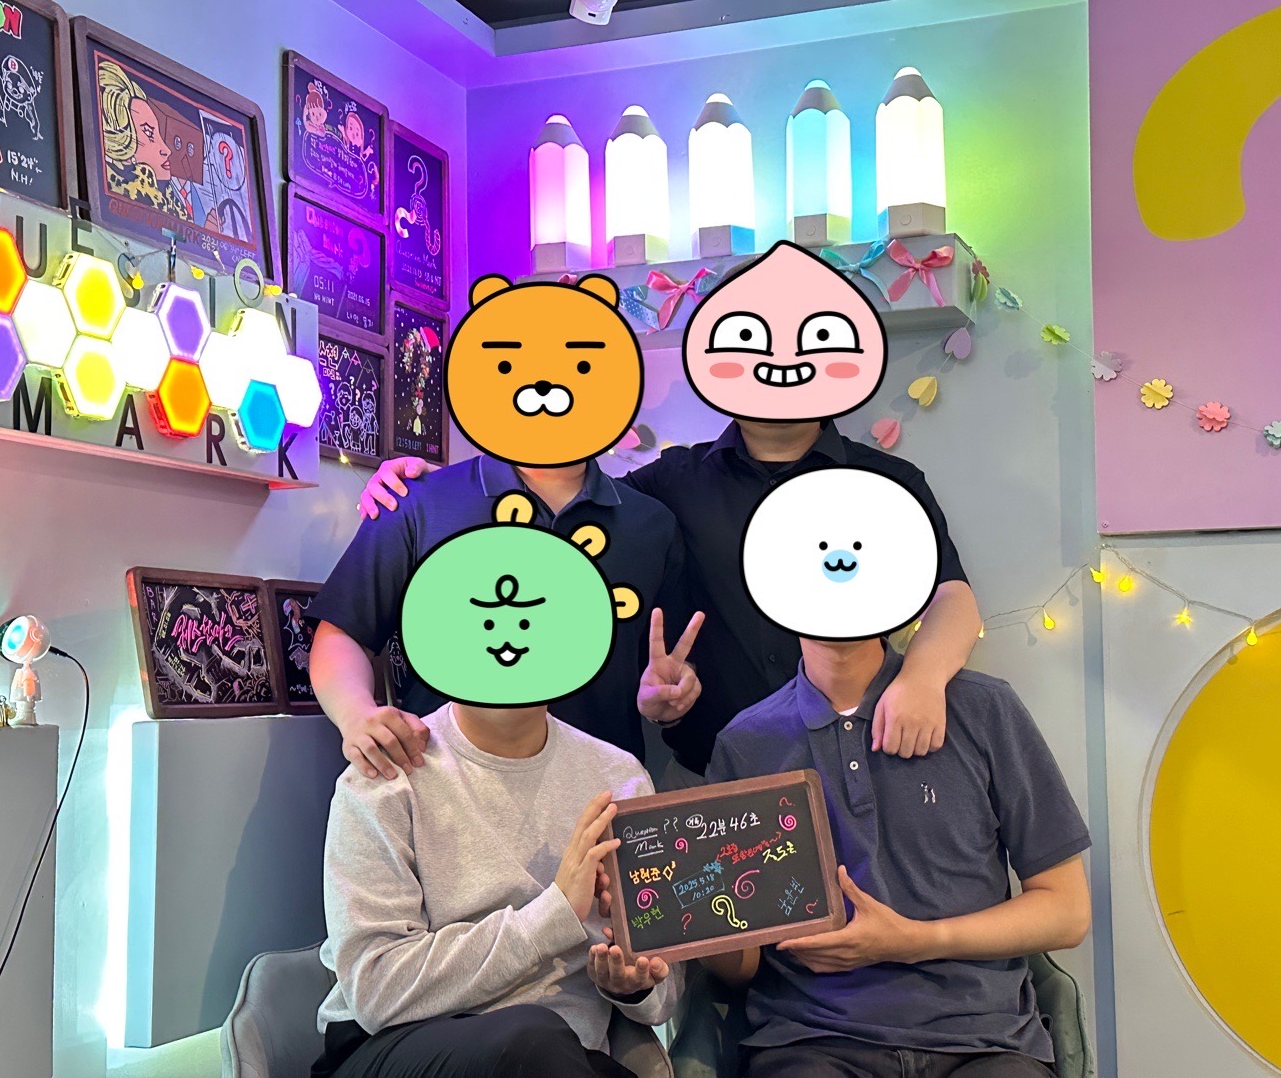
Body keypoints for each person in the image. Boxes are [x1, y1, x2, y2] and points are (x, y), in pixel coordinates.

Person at [359, 242, 982, 788]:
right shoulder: (668, 484)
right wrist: (425, 481)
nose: (780, 359)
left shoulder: (888, 483)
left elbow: (953, 598)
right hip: (716, 772)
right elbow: (561, 486)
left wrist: (922, 680)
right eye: (748, 336)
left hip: (866, 753)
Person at [699, 469, 1091, 1078]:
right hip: (811, 1040)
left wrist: (916, 940)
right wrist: (686, 915)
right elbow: (741, 963)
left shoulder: (985, 710)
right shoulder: (745, 745)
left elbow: (1067, 912)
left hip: (985, 1041)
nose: (836, 568)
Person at [313, 492, 681, 1078]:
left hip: (566, 1058)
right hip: (395, 1047)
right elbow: (376, 991)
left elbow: (663, 995)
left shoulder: (619, 778)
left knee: (552, 1048)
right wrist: (555, 913)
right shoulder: (388, 773)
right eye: (485, 620)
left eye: (532, 621)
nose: (509, 640)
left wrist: (633, 984)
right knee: (532, 1039)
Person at [309, 274, 696, 780]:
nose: (546, 386)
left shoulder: (651, 525)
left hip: (599, 791)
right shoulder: (420, 501)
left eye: (580, 365)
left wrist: (667, 699)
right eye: (510, 364)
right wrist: (357, 714)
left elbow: (670, 663)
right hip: (440, 785)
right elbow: (343, 631)